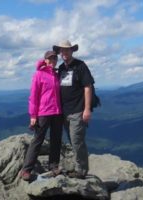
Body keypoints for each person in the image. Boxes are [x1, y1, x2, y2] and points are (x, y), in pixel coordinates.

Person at [53, 40, 94, 179]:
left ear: (72, 51)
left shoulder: (80, 66)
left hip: (78, 110)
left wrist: (87, 109)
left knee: (77, 141)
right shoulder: (61, 68)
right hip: (64, 112)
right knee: (72, 140)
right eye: (62, 50)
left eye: (67, 50)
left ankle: (81, 170)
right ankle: (78, 167)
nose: (64, 53)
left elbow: (88, 87)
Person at [19, 51, 63, 181]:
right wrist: (33, 115)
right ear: (45, 60)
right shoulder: (39, 74)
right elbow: (33, 96)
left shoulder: (56, 74)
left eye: (55, 58)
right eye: (50, 59)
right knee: (37, 140)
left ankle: (54, 166)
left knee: (56, 140)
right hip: (43, 112)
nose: (53, 60)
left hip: (57, 112)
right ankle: (26, 170)